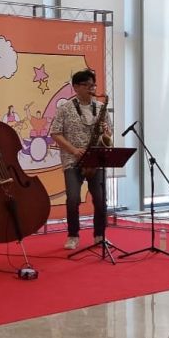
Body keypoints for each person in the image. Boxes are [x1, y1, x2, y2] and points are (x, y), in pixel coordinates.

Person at [50, 69, 111, 250]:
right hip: (73, 159)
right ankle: (73, 235)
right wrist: (74, 150)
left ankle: (100, 235)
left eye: (93, 85)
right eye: (87, 85)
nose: (92, 89)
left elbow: (108, 135)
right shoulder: (65, 108)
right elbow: (55, 133)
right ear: (76, 87)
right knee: (73, 199)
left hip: (95, 160)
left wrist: (106, 132)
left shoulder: (100, 107)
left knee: (100, 200)